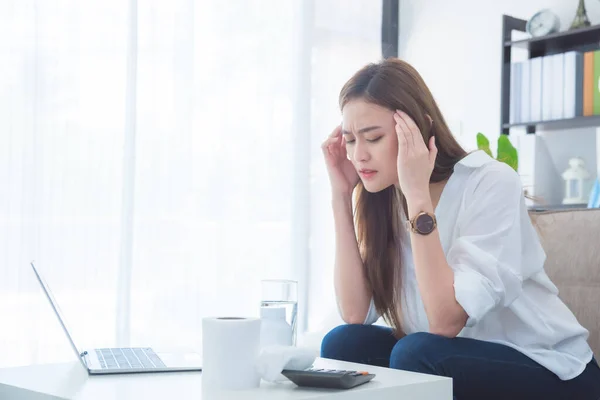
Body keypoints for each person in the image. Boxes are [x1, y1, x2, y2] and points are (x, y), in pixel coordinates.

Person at [319, 57, 600, 399]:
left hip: (553, 371)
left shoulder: (491, 182)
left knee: (415, 353)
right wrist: (340, 196)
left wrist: (418, 195)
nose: (358, 155)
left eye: (373, 138)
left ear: (418, 131)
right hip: (448, 358)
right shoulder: (384, 197)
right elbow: (355, 312)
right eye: (349, 141)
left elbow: (444, 322)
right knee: (344, 343)